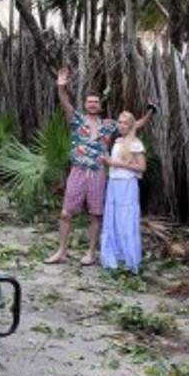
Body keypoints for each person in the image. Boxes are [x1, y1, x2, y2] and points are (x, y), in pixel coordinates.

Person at [45, 67, 152, 266]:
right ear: (85, 105)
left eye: (96, 102)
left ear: (100, 105)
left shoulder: (109, 125)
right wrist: (61, 87)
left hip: (98, 172)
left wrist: (150, 112)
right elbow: (66, 104)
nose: (93, 104)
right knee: (66, 213)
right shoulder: (76, 120)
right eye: (89, 102)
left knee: (95, 214)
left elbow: (135, 124)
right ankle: (61, 251)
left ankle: (91, 252)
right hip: (77, 171)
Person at [99, 112, 147, 273]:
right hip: (113, 184)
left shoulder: (135, 143)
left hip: (127, 185)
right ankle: (114, 256)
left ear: (131, 125)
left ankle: (129, 259)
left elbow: (141, 167)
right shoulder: (118, 141)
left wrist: (116, 163)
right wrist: (108, 161)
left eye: (125, 123)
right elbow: (114, 164)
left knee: (125, 220)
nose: (121, 125)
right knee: (113, 220)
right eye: (119, 122)